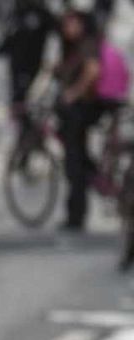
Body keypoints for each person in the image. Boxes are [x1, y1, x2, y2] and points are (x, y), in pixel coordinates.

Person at [54, 9, 108, 232]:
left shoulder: (87, 44)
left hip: (81, 111)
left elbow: (93, 70)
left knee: (75, 164)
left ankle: (77, 214)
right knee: (78, 160)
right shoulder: (73, 47)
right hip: (74, 114)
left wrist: (73, 93)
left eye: (72, 23)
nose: (68, 29)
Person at [0, 0, 57, 108]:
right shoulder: (17, 13)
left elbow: (56, 37)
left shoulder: (42, 14)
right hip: (15, 70)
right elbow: (8, 43)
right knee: (16, 104)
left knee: (28, 104)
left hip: (33, 70)